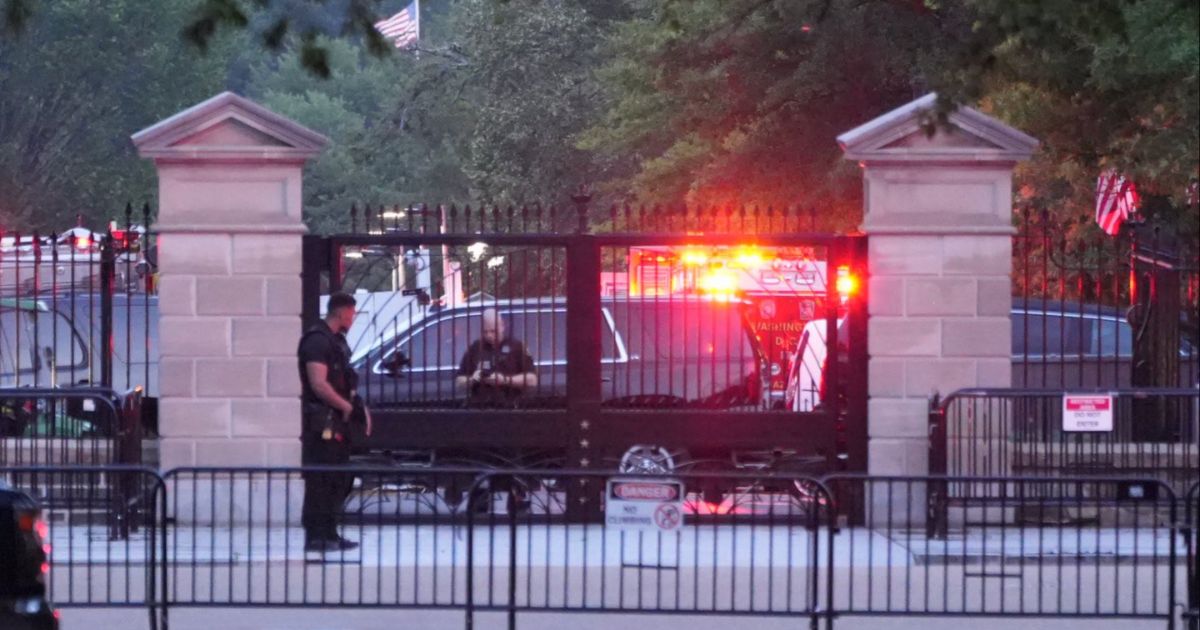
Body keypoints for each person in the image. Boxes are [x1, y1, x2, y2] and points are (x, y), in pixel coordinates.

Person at [297, 292, 371, 553]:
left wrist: (354, 406)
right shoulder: (316, 341)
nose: (353, 319)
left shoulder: (336, 342)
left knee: (337, 479)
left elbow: (344, 379)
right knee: (321, 480)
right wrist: (345, 406)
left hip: (337, 422)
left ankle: (329, 533)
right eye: (351, 314)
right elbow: (318, 384)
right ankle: (316, 535)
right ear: (342, 313)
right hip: (321, 423)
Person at [455, 308, 538, 407]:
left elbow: (532, 380)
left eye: (493, 331)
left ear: (502, 326)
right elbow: (459, 381)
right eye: (485, 332)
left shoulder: (516, 346)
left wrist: (505, 380)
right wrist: (472, 379)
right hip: (480, 410)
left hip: (509, 408)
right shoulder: (475, 347)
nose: (489, 335)